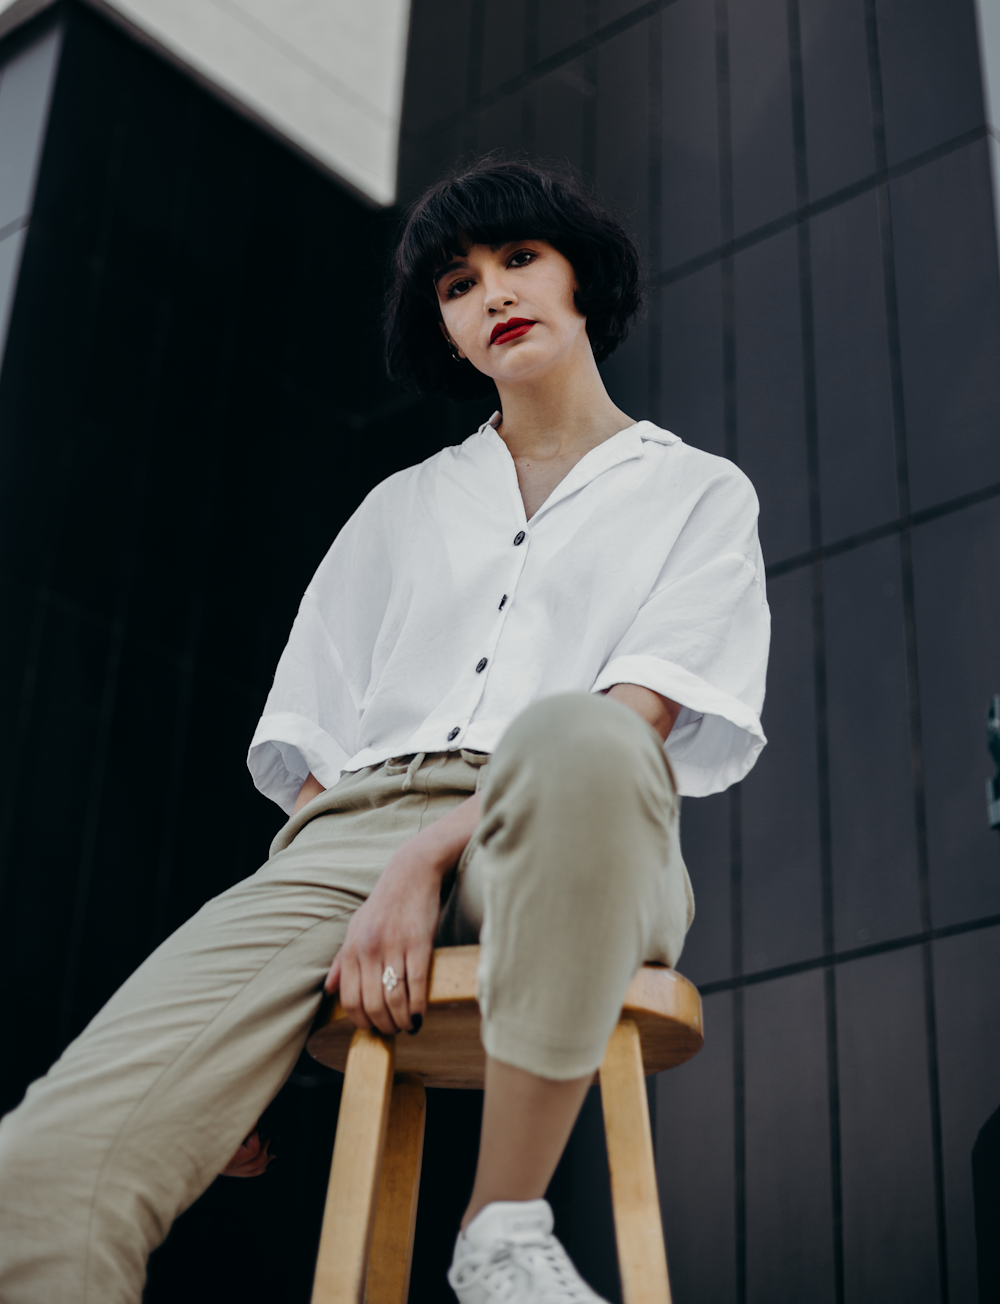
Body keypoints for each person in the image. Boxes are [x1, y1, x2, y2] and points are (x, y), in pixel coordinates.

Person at [0, 158, 769, 1304]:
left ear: (579, 279)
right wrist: (268, 1006)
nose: (493, 293)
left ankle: (500, 1226)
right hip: (346, 845)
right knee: (36, 1175)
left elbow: (633, 722)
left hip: (570, 830)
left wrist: (423, 861)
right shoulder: (398, 507)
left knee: (578, 739)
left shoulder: (696, 491)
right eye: (458, 284)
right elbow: (312, 754)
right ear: (446, 331)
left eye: (519, 259)